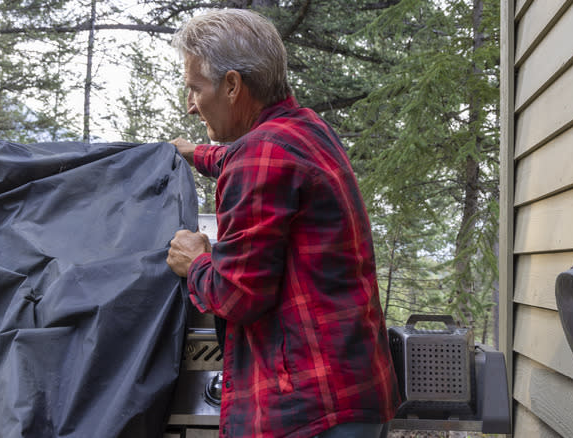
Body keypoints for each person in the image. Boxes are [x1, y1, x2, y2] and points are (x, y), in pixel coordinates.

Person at [166, 9, 401, 438]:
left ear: (233, 85)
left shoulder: (260, 155)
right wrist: (194, 153)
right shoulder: (305, 129)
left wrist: (195, 261)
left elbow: (237, 296)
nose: (191, 104)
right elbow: (245, 158)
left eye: (196, 89)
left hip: (308, 410)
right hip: (353, 392)